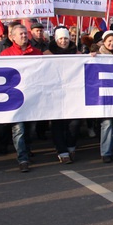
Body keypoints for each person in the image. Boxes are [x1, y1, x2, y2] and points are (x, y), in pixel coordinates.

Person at [0, 24, 43, 172]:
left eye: (25, 33)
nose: (24, 36)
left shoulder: (37, 53)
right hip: (15, 98)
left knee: (30, 128)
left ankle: (27, 149)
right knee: (18, 129)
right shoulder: (5, 54)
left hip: (32, 97)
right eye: (21, 34)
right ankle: (22, 158)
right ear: (12, 37)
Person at [45, 26, 80, 163]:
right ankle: (62, 150)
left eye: (66, 38)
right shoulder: (47, 54)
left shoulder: (77, 53)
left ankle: (71, 146)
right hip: (55, 93)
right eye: (60, 38)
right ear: (56, 39)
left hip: (73, 93)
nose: (63, 41)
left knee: (74, 123)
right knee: (57, 123)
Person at [90, 30, 113, 162]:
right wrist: (91, 57)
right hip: (102, 93)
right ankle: (105, 152)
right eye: (109, 41)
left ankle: (109, 148)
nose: (112, 43)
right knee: (107, 122)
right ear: (104, 42)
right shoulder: (97, 54)